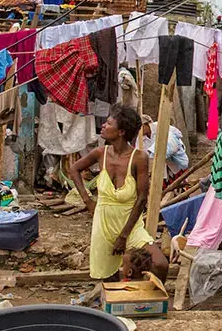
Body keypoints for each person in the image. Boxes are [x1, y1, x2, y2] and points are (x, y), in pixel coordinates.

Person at [69, 106, 169, 282]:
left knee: (160, 264)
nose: (103, 126)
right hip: (104, 226)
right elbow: (74, 169)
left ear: (121, 131)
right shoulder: (100, 153)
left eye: (108, 123)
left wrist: (123, 236)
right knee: (109, 280)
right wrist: (88, 201)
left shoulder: (139, 158)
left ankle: (152, 302)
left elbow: (141, 200)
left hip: (131, 227)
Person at [140, 115, 189, 180]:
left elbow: (173, 140)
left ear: (144, 125)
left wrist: (154, 153)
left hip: (174, 162)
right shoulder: (140, 138)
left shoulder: (161, 127)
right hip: (159, 169)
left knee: (180, 183)